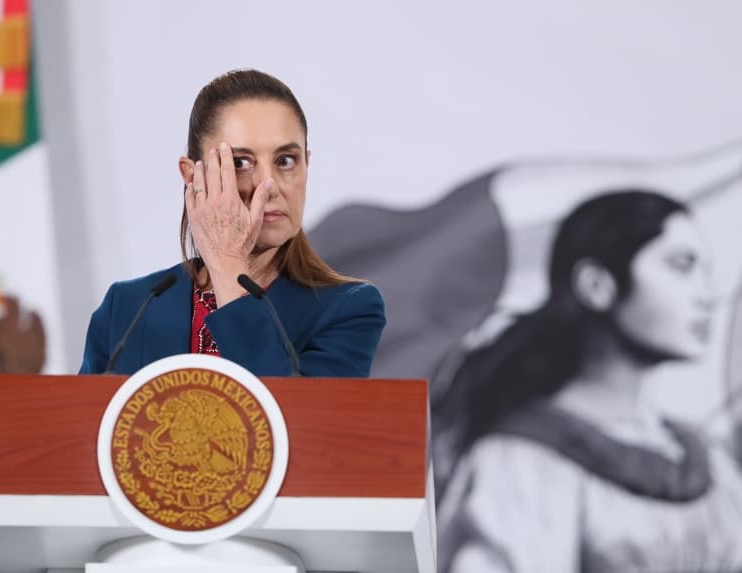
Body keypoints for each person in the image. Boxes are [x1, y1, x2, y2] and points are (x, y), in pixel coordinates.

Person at [432, 190, 742, 572]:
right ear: (598, 285)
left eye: (707, 272)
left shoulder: (709, 461)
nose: (708, 295)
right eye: (682, 265)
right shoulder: (521, 462)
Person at [79, 69, 385, 377]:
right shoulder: (128, 308)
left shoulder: (348, 309)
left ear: (307, 164)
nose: (269, 185)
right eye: (240, 163)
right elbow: (82, 423)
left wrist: (227, 264)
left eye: (285, 161)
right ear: (191, 175)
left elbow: (290, 419)